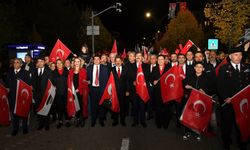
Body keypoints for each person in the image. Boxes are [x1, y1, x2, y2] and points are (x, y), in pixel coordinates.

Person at [217, 46, 250, 150]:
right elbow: (220, 86)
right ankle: (226, 143)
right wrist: (226, 97)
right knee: (227, 125)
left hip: (243, 102)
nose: (239, 57)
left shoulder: (247, 67)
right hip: (229, 103)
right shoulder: (224, 68)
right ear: (230, 56)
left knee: (242, 123)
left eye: (240, 55)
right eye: (236, 55)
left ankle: (242, 144)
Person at [182, 62, 211, 141]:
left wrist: (205, 91)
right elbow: (184, 82)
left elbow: (211, 88)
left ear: (203, 69)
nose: (198, 68)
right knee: (189, 116)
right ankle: (187, 132)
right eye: (197, 67)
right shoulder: (190, 76)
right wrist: (186, 86)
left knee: (198, 117)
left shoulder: (207, 78)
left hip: (201, 101)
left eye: (200, 67)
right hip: (190, 100)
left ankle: (197, 133)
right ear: (194, 68)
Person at [6, 58, 31, 136]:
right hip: (13, 96)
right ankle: (15, 128)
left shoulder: (26, 73)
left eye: (17, 63)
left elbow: (29, 85)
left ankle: (24, 128)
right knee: (14, 113)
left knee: (24, 112)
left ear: (21, 64)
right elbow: (6, 84)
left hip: (22, 97)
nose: (15, 64)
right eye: (14, 63)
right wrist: (7, 88)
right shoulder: (9, 73)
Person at [126, 52, 150, 128]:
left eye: (140, 56)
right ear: (135, 57)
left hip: (143, 90)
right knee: (135, 106)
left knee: (142, 106)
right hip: (134, 90)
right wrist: (132, 82)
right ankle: (135, 121)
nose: (138, 57)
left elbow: (147, 76)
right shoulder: (131, 66)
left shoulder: (146, 66)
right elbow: (128, 77)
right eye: (137, 56)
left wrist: (141, 82)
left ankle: (142, 121)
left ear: (142, 57)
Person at [87, 55, 109, 127]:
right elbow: (87, 78)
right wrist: (88, 82)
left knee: (101, 106)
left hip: (101, 89)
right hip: (93, 89)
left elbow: (106, 80)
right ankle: (93, 120)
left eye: (97, 59)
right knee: (93, 106)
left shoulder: (105, 68)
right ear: (93, 61)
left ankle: (101, 120)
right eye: (95, 59)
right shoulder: (89, 68)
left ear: (100, 60)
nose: (96, 60)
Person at [150, 55, 171, 129]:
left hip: (166, 92)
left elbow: (171, 79)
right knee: (158, 108)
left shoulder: (169, 68)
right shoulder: (154, 68)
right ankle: (158, 123)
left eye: (161, 59)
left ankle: (166, 124)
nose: (160, 60)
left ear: (164, 60)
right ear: (157, 61)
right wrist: (153, 81)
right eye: (159, 59)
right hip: (157, 92)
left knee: (166, 109)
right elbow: (151, 77)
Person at [32, 57, 52, 131]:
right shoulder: (34, 71)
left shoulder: (48, 71)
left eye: (41, 61)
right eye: (39, 61)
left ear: (44, 62)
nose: (40, 63)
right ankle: (40, 124)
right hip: (37, 94)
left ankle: (47, 124)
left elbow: (51, 82)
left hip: (45, 94)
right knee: (38, 109)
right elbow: (32, 82)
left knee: (46, 109)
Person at [67, 57, 87, 127]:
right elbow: (69, 81)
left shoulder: (83, 70)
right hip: (72, 92)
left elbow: (84, 82)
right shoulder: (71, 71)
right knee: (76, 106)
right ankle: (78, 119)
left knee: (81, 106)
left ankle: (82, 119)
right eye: (75, 61)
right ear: (73, 62)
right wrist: (70, 89)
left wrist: (78, 89)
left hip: (80, 92)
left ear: (80, 62)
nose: (76, 63)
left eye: (78, 61)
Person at [52, 59, 70, 128]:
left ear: (63, 64)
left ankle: (67, 120)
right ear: (56, 65)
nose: (59, 64)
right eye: (57, 63)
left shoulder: (67, 71)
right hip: (58, 93)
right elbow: (52, 83)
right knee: (59, 107)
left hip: (66, 92)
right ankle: (60, 121)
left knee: (66, 106)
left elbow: (70, 81)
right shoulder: (53, 72)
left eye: (60, 63)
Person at [111, 56, 128, 126]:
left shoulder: (125, 69)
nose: (118, 62)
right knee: (114, 106)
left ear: (121, 62)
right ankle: (115, 120)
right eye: (116, 61)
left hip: (123, 91)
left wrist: (127, 90)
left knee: (122, 106)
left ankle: (122, 120)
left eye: (119, 61)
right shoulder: (111, 70)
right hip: (114, 92)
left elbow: (127, 81)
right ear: (115, 62)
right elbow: (109, 81)